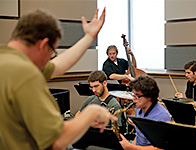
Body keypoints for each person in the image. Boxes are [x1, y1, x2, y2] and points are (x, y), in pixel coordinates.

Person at [0, 8, 118, 150]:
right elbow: (57, 141)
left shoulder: (7, 59)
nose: (50, 58)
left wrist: (89, 37)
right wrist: (90, 113)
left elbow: (58, 65)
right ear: (43, 44)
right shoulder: (26, 74)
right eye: (52, 52)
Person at [119, 75, 171, 150]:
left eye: (137, 96)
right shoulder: (138, 108)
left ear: (149, 97)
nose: (133, 99)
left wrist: (130, 147)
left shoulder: (162, 116)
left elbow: (161, 148)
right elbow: (139, 136)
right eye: (133, 95)